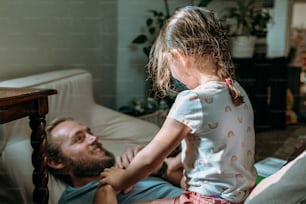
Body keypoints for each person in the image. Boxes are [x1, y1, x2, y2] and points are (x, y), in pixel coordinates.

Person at [99, 6, 257, 204]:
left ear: (179, 56)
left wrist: (120, 180)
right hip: (240, 196)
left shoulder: (192, 100)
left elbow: (150, 160)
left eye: (169, 63)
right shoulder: (235, 89)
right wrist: (173, 163)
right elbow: (216, 143)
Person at [46, 117, 183, 204]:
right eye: (79, 139)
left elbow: (194, 185)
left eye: (90, 133)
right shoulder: (75, 200)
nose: (94, 138)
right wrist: (110, 186)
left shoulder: (130, 164)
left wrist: (159, 167)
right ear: (56, 162)